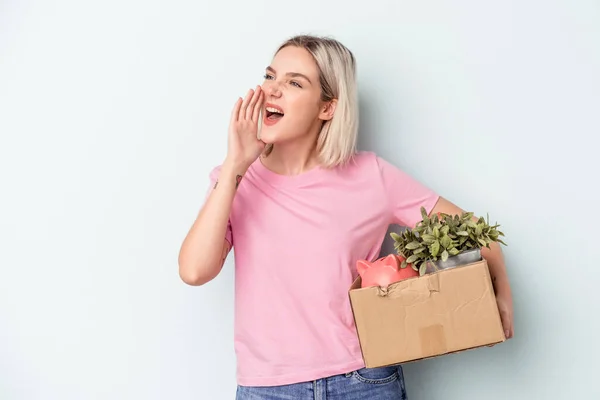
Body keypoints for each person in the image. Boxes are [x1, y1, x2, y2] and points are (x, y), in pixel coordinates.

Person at [178, 34, 514, 399]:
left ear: (328, 107)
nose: (272, 90)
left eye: (293, 82)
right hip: (267, 389)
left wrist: (501, 295)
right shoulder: (236, 179)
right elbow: (194, 270)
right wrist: (233, 168)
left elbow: (476, 233)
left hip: (363, 381)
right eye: (270, 76)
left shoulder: (371, 176)